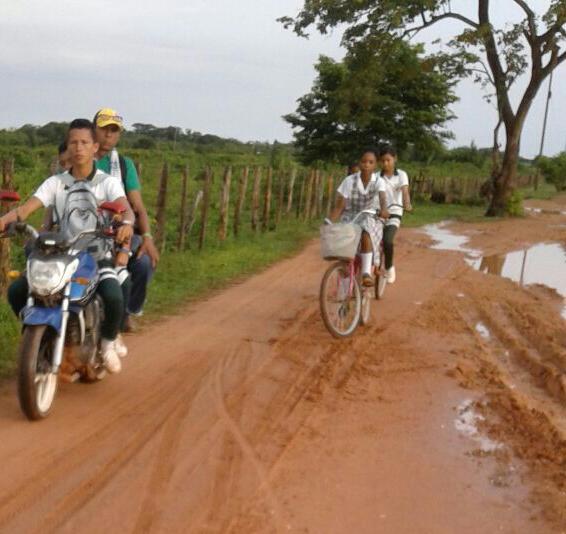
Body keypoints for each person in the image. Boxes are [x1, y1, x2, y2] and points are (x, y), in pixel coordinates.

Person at [0, 119, 135, 374]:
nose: (78, 147)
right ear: (67, 146)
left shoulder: (107, 183)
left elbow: (125, 207)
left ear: (95, 147)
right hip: (60, 256)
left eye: (84, 142)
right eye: (73, 142)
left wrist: (127, 223)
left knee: (114, 295)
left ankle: (107, 343)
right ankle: (37, 337)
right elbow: (26, 209)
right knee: (17, 291)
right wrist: (4, 220)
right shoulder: (56, 182)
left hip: (96, 256)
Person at [93, 108, 159, 332]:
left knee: (143, 262)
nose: (109, 135)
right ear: (94, 130)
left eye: (114, 131)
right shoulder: (81, 160)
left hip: (119, 230)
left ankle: (129, 311)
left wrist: (147, 237)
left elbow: (137, 207)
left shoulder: (122, 165)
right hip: (85, 228)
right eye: (104, 129)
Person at [329, 149, 382, 287]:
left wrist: (385, 211)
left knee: (366, 231)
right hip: (350, 214)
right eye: (364, 161)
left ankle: (366, 273)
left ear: (375, 165)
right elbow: (340, 205)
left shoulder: (378, 181)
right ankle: (344, 289)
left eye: (370, 162)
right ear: (359, 163)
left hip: (370, 215)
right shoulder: (349, 180)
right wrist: (329, 221)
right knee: (344, 252)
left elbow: (383, 200)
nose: (366, 165)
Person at [377, 146, 412, 284]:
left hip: (394, 213)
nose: (385, 163)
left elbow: (405, 191)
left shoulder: (402, 175)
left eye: (388, 160)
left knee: (387, 240)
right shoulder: (376, 177)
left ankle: (389, 267)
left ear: (395, 159)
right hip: (379, 214)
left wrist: (407, 204)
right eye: (383, 161)